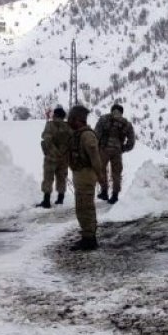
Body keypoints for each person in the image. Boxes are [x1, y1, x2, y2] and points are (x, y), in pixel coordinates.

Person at [66, 105, 105, 251]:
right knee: (81, 206)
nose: (69, 121)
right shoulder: (77, 134)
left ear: (78, 119)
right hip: (79, 174)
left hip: (86, 175)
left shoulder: (87, 135)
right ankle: (87, 236)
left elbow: (95, 158)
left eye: (71, 119)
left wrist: (100, 177)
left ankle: (90, 239)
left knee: (86, 206)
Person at [94, 103, 136, 205]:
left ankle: (104, 192)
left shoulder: (104, 119)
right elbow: (131, 141)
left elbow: (96, 135)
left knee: (100, 170)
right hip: (117, 150)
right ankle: (115, 196)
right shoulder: (126, 123)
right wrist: (123, 148)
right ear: (122, 112)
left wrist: (96, 147)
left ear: (112, 110)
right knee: (116, 173)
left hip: (103, 149)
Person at [37, 106, 71, 208]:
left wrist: (54, 152)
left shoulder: (50, 125)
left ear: (55, 115)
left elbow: (46, 139)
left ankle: (46, 201)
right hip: (64, 158)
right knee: (62, 178)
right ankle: (60, 199)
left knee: (48, 178)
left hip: (51, 157)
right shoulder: (68, 126)